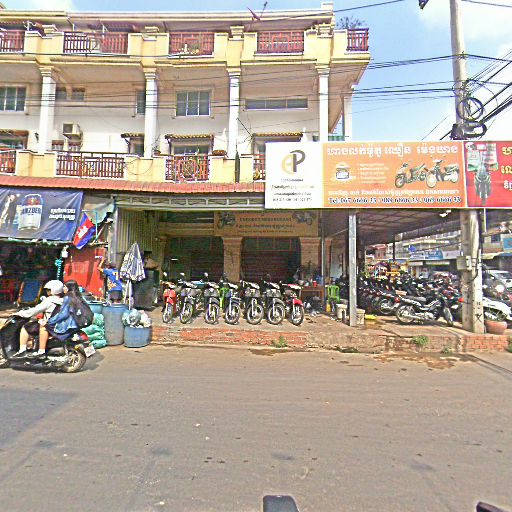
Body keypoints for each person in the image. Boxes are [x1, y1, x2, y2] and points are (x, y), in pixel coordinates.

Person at [14, 280, 64, 358]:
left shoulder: (50, 300)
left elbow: (35, 310)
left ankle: (22, 350)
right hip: (57, 325)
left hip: (48, 325)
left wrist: (20, 313)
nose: (47, 291)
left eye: (48, 290)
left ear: (53, 290)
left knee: (25, 327)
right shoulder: (62, 300)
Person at [41, 280, 83, 347]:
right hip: (76, 324)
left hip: (68, 325)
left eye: (64, 287)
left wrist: (49, 321)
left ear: (69, 288)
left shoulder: (67, 298)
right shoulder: (79, 297)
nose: (63, 288)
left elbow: (63, 314)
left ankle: (41, 350)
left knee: (44, 327)